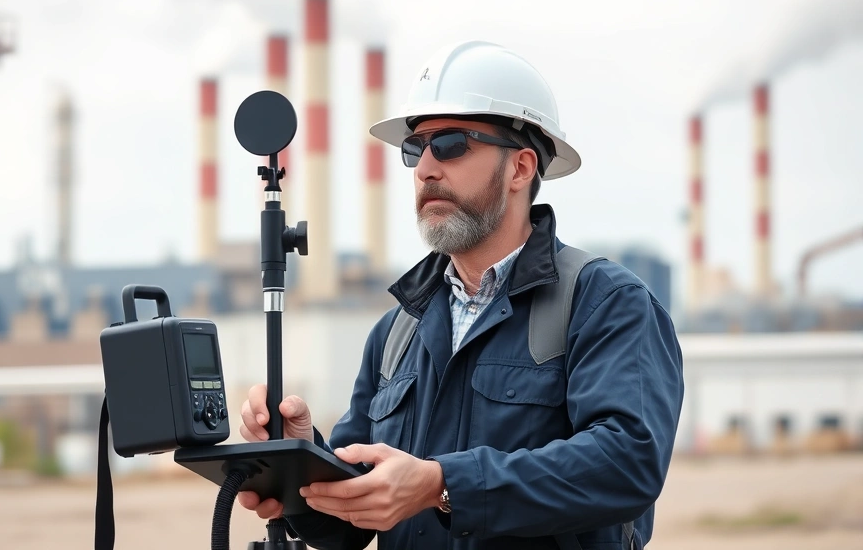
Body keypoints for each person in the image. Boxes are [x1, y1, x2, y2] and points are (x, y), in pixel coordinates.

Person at [237, 40, 684, 550]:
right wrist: (299, 458)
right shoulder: (397, 331)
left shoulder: (604, 303)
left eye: (450, 144)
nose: (425, 168)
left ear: (520, 168)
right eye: (415, 148)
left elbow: (626, 464)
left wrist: (442, 485)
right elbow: (351, 519)